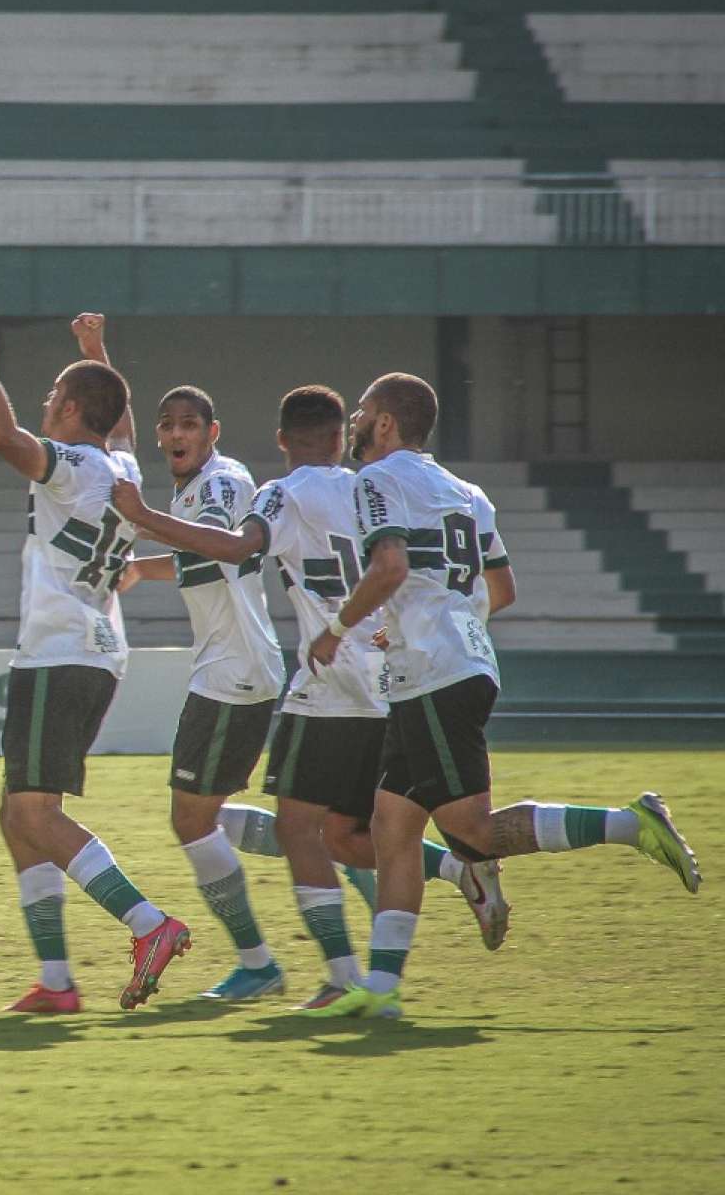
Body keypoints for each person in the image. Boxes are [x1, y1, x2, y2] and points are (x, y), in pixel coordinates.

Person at [299, 374, 701, 1019]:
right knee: (392, 825)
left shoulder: (378, 480)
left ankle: (632, 822)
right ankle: (380, 989)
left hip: (432, 673)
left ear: (383, 423)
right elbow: (502, 590)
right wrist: (429, 621)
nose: (355, 426)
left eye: (364, 414)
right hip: (447, 664)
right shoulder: (467, 492)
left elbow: (390, 568)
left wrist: (337, 629)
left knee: (474, 833)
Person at [111, 386, 507, 1011]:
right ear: (336, 436)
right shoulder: (371, 488)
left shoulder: (279, 493)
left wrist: (142, 516)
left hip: (327, 685)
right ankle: (454, 878)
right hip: (391, 681)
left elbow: (238, 549)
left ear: (280, 440)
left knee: (300, 828)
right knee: (353, 835)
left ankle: (338, 974)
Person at [0, 299, 192, 1014]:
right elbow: (120, 419)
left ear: (72, 407)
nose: (44, 403)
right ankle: (57, 982)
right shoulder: (118, 465)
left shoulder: (71, 464)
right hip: (93, 649)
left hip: (60, 651)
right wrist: (97, 349)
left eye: (54, 394)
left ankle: (150, 924)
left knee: (32, 809)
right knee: (16, 811)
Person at [117, 387, 287, 1001]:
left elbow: (214, 542)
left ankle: (259, 965)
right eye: (165, 425)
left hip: (231, 674)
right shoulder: (196, 490)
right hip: (236, 669)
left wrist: (141, 519)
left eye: (188, 423)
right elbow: (201, 558)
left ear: (212, 431)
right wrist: (144, 565)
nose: (174, 433)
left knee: (190, 821)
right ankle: (343, 845)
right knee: (205, 818)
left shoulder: (219, 483)